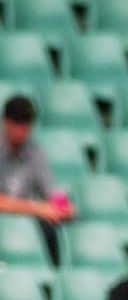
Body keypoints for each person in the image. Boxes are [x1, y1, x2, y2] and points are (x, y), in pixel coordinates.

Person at [0, 94, 74, 263]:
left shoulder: (34, 151)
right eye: (17, 125)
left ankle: (53, 274)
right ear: (6, 123)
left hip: (23, 222)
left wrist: (63, 206)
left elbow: (51, 189)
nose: (21, 132)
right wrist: (36, 208)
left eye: (26, 126)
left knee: (50, 225)